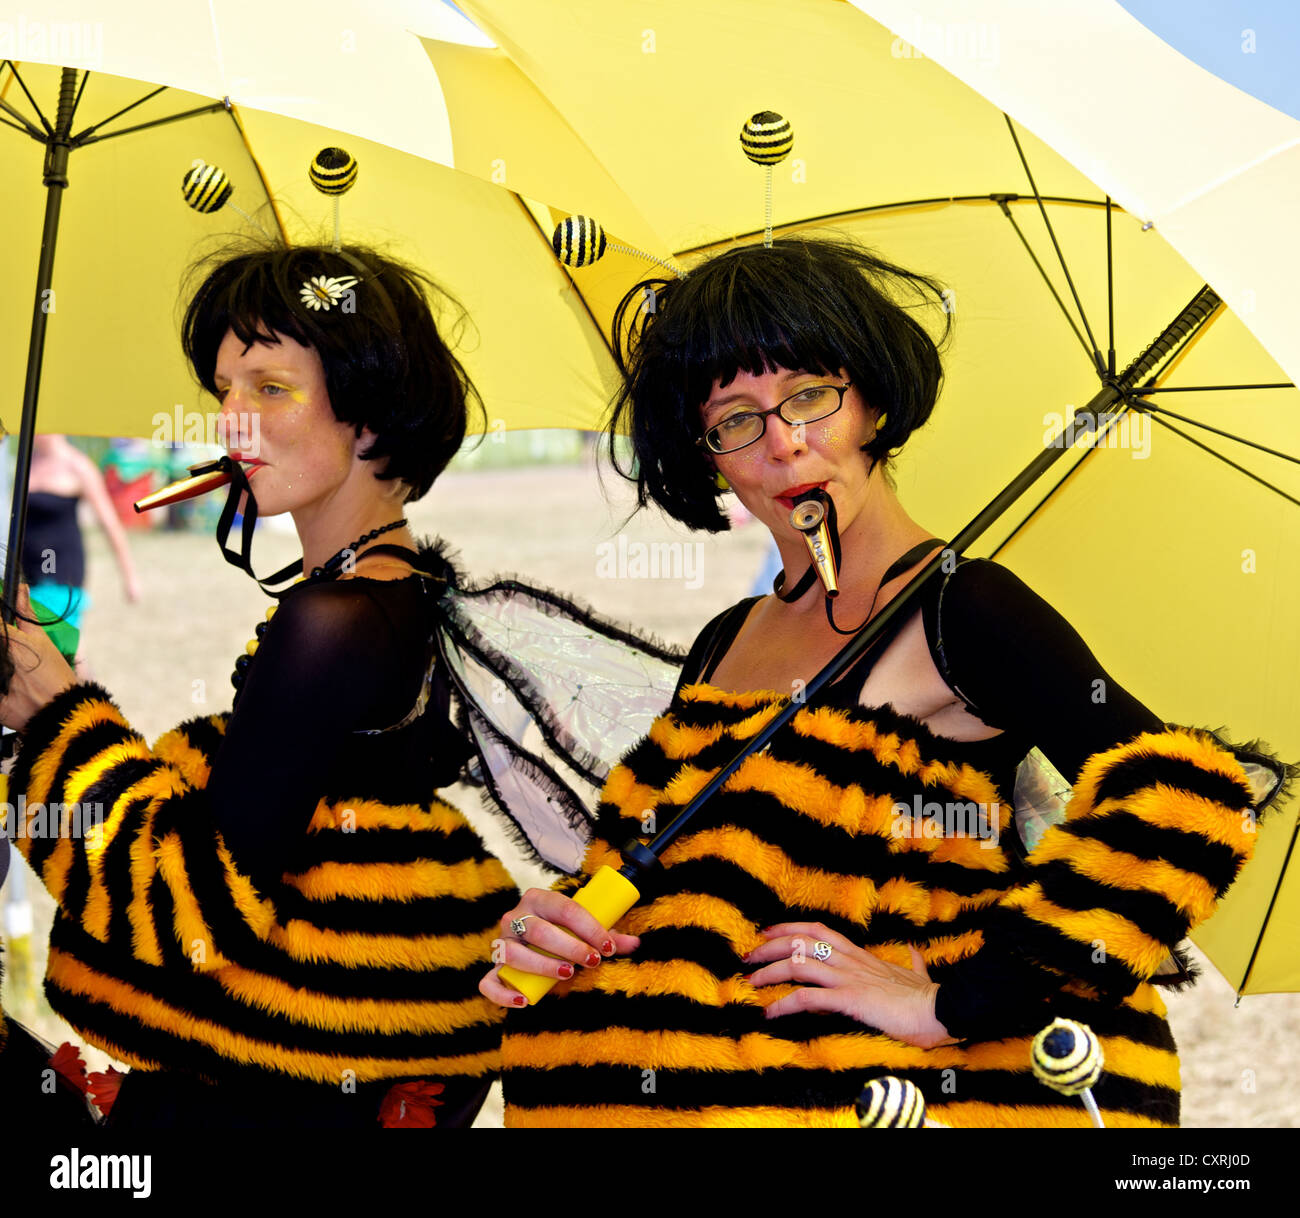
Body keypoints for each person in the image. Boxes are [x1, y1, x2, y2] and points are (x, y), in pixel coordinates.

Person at [481, 236, 1266, 1128]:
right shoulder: (723, 642)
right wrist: (559, 929)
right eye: (734, 420)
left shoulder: (964, 609)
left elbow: (1192, 799)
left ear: (874, 401)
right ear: (706, 456)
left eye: (811, 396)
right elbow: (663, 873)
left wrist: (946, 1004)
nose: (785, 444)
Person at [0, 241, 518, 1129]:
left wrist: (59, 713)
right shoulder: (400, 590)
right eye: (222, 393)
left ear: (370, 414)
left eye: (270, 390)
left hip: (276, 1091)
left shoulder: (331, 620)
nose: (229, 423)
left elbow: (197, 905)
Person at [21, 432, 142, 667]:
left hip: (60, 568)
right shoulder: (27, 463)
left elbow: (109, 523)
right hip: (28, 570)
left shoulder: (78, 466)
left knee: (65, 645)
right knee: (34, 647)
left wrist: (130, 577)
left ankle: (88, 700)